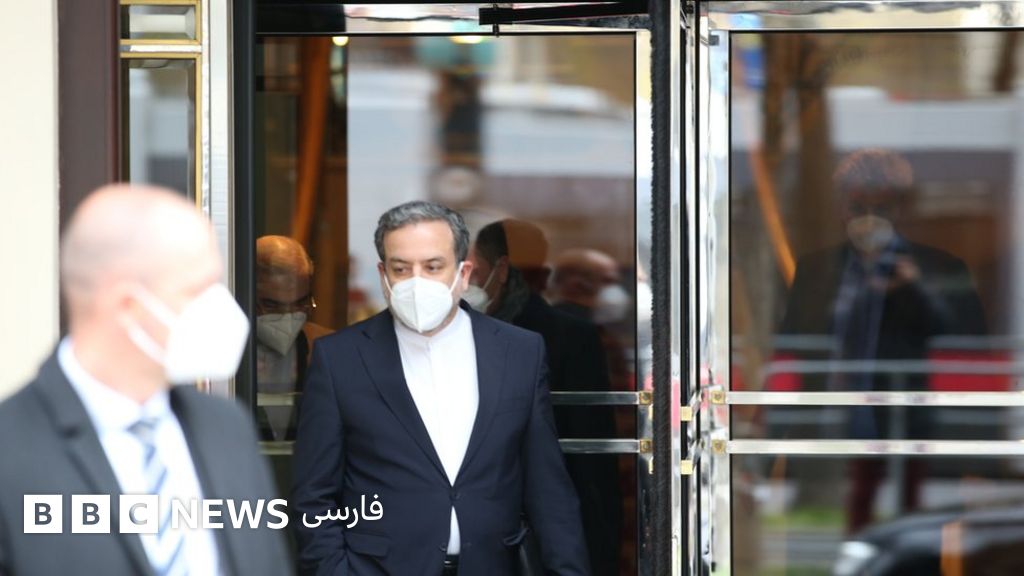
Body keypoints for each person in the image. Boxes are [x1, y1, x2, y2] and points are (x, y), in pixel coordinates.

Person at [0, 185, 291, 575]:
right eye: (197, 289)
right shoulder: (11, 451)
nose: (221, 308)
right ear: (127, 306)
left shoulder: (227, 428)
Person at [292, 201, 590, 576]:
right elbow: (314, 494)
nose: (416, 282)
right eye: (401, 268)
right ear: (383, 275)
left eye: (433, 267)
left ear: (463, 273)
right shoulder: (340, 358)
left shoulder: (519, 352)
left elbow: (548, 488)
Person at [778, 149, 987, 532]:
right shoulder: (818, 269)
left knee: (911, 500)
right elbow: (795, 336)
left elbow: (965, 334)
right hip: (839, 407)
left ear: (902, 210)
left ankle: (907, 556)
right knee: (858, 497)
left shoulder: (939, 267)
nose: (869, 218)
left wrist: (916, 286)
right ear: (842, 208)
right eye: (858, 206)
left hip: (910, 406)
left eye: (882, 208)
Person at [467, 219, 621, 576]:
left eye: (476, 269)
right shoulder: (459, 332)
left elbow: (590, 453)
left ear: (501, 269)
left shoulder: (563, 336)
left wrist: (598, 546)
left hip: (534, 525)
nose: (469, 281)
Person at [255, 235, 332, 442]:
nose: (288, 317)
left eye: (300, 304)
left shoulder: (330, 351)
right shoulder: (220, 355)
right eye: (271, 305)